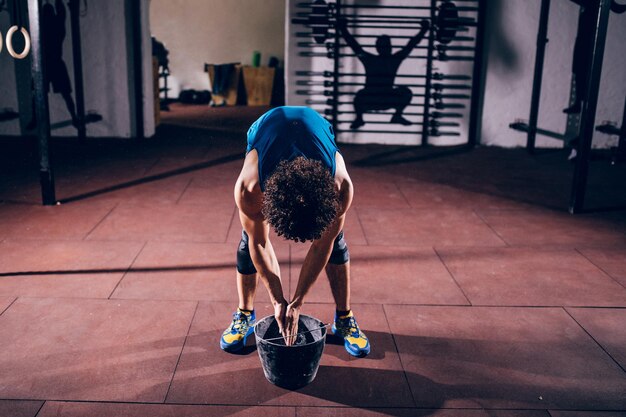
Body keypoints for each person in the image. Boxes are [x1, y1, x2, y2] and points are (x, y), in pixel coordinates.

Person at [220, 106, 370, 357]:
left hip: (315, 126)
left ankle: (344, 318)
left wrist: (298, 300)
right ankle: (244, 313)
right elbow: (261, 244)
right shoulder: (250, 188)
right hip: (267, 128)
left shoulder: (339, 187)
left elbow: (322, 244)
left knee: (335, 240)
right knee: (249, 239)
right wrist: (278, 300)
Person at [337, 18, 430, 129]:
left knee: (361, 95)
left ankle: (360, 118)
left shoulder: (371, 60)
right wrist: (423, 30)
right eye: (386, 45)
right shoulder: (392, 60)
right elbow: (410, 45)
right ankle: (392, 116)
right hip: (385, 99)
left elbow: (354, 46)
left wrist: (343, 29)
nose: (387, 47)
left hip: (373, 99)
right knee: (363, 94)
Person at [563, 0, 626, 114]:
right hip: (583, 44)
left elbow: (617, 9)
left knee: (584, 73)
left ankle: (582, 104)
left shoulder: (597, 8)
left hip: (587, 45)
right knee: (579, 73)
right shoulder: (591, 8)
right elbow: (617, 9)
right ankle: (579, 103)